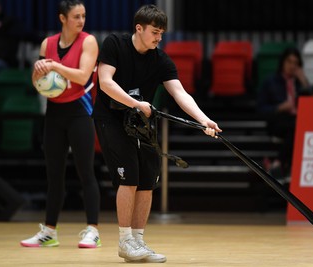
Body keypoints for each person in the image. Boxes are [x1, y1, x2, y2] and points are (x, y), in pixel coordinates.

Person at [92, 4, 221, 263]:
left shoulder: (160, 59)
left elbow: (180, 93)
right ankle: (125, 240)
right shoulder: (114, 44)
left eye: (161, 33)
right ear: (138, 28)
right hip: (111, 119)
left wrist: (204, 120)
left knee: (148, 178)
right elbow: (105, 82)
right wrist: (137, 103)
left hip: (140, 122)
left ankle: (138, 240)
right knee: (128, 177)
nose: (158, 38)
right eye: (154, 32)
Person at [20, 0, 101, 248]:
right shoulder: (48, 44)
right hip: (54, 113)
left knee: (85, 171)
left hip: (80, 112)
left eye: (83, 16)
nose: (81, 21)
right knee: (54, 175)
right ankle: (49, 232)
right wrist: (37, 73)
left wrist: (54, 65)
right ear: (62, 18)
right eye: (76, 16)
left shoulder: (88, 41)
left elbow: (83, 76)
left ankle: (93, 230)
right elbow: (41, 83)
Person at [257, 47, 310, 184]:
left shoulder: (300, 83)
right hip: (277, 122)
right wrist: (279, 108)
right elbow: (261, 109)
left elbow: (312, 104)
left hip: (298, 123)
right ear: (282, 63)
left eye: (296, 63)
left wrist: (304, 82)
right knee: (295, 126)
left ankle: (278, 163)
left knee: (297, 126)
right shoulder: (270, 82)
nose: (292, 66)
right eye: (289, 61)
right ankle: (284, 165)